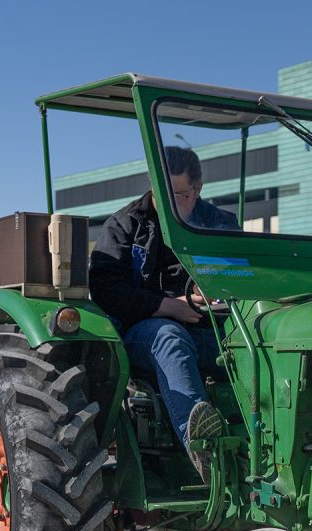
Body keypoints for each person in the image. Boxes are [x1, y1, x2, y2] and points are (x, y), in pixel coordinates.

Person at [89, 146, 241, 483]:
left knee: (256, 345)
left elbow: (242, 276)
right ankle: (203, 447)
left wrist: (219, 292)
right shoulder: (125, 224)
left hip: (214, 328)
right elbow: (104, 288)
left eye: (181, 194)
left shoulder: (220, 224)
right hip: (145, 331)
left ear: (198, 189)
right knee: (169, 337)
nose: (171, 202)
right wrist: (168, 306)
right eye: (162, 192)